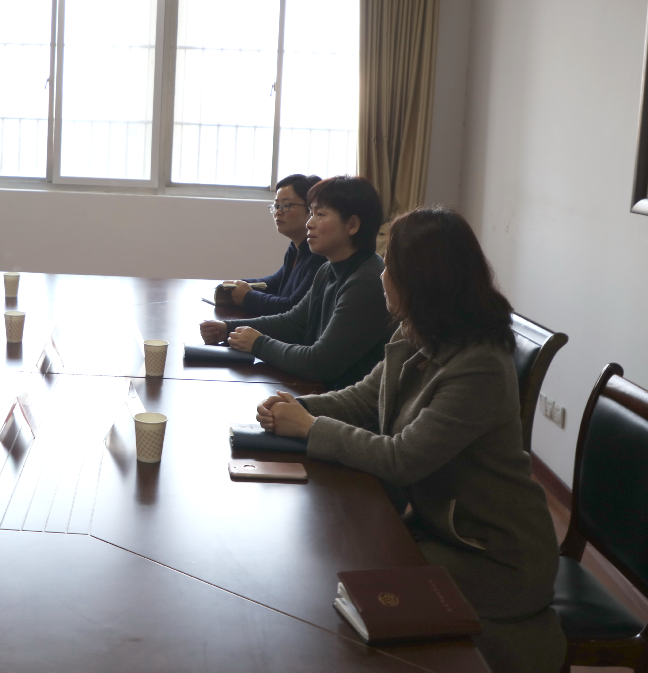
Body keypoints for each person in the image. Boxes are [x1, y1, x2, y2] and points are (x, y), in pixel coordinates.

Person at [253, 208, 565, 673]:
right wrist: (299, 408)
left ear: (421, 280)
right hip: (438, 526)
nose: (382, 275)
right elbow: (366, 397)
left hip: (493, 555)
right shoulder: (420, 330)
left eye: (391, 267)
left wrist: (310, 428)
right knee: (343, 562)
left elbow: (402, 459)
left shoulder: (479, 364)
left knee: (349, 580)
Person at [200, 175, 393, 390]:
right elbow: (294, 322)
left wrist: (258, 344)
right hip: (322, 392)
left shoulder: (366, 281)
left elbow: (320, 363)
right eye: (311, 213)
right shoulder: (329, 269)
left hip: (346, 402)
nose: (309, 223)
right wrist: (228, 328)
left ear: (352, 225)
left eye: (320, 214)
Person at [218, 174, 324, 316]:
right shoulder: (295, 248)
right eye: (276, 206)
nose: (278, 212)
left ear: (311, 209)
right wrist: (238, 284)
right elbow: (275, 283)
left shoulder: (320, 255)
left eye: (286, 205)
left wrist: (248, 296)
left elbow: (291, 308)